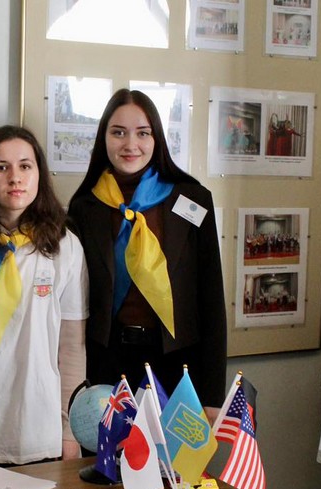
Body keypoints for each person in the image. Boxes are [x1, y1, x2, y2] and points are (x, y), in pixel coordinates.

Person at [68, 89, 227, 417]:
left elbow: (212, 301)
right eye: (118, 133)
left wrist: (212, 394)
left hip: (178, 363)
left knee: (172, 452)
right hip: (107, 364)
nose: (131, 144)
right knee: (112, 450)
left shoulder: (193, 200)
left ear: (157, 139)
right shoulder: (85, 207)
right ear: (103, 138)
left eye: (143, 133)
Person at [0, 125, 88, 468]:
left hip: (38, 429)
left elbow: (71, 347)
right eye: (1, 167)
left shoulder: (65, 246)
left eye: (25, 166)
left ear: (39, 173)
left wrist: (69, 429)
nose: (15, 178)